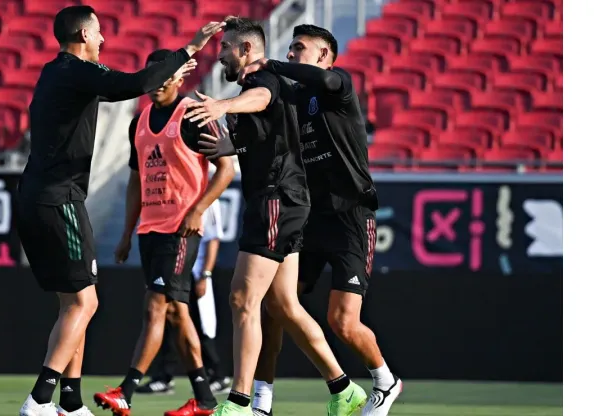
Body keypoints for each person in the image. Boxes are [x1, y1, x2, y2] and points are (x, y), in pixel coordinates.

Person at [15, 5, 223, 416]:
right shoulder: (76, 70)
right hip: (59, 198)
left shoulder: (53, 72)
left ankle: (70, 403)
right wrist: (190, 49)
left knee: (74, 303)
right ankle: (40, 399)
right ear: (82, 36)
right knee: (85, 304)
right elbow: (139, 82)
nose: (104, 39)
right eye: (98, 32)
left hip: (36, 195)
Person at [185, 17, 367, 416]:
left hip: (275, 198)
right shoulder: (268, 87)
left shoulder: (260, 82)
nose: (220, 57)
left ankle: (237, 403)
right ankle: (344, 389)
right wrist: (227, 147)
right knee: (284, 305)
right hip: (285, 199)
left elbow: (262, 100)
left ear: (246, 50)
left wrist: (223, 105)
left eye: (227, 48)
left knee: (242, 299)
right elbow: (267, 135)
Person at [240, 25, 402, 416]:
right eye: (290, 48)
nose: (293, 53)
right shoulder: (292, 97)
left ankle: (385, 381)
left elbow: (324, 79)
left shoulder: (338, 85)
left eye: (301, 48)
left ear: (325, 56)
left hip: (350, 217)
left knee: (342, 321)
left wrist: (273, 64)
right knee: (274, 304)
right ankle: (261, 401)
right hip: (309, 216)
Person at [92, 48, 235, 416]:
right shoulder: (137, 122)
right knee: (177, 313)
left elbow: (226, 170)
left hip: (181, 230)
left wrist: (198, 210)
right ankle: (204, 399)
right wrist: (126, 233)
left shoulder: (192, 114)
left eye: (163, 77)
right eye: (151, 77)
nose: (156, 84)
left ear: (178, 77)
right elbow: (136, 181)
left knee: (155, 306)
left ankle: (126, 391)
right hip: (150, 230)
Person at [135, 198, 232, 395]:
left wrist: (205, 274)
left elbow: (213, 238)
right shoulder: (176, 192)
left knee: (200, 326)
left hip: (196, 274)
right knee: (168, 323)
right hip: (174, 270)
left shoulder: (208, 197)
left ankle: (217, 375)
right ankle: (163, 377)